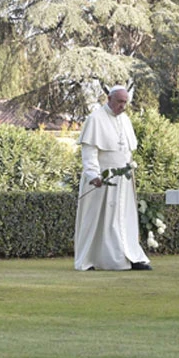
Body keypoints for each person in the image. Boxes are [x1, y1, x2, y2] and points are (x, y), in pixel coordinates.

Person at [74, 86, 152, 271]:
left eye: (125, 102)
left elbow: (127, 150)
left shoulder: (125, 120)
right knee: (99, 220)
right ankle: (90, 260)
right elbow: (89, 152)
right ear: (109, 98)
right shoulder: (95, 119)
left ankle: (130, 256)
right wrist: (94, 175)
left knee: (124, 218)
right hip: (102, 179)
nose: (122, 106)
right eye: (119, 102)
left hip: (123, 181)